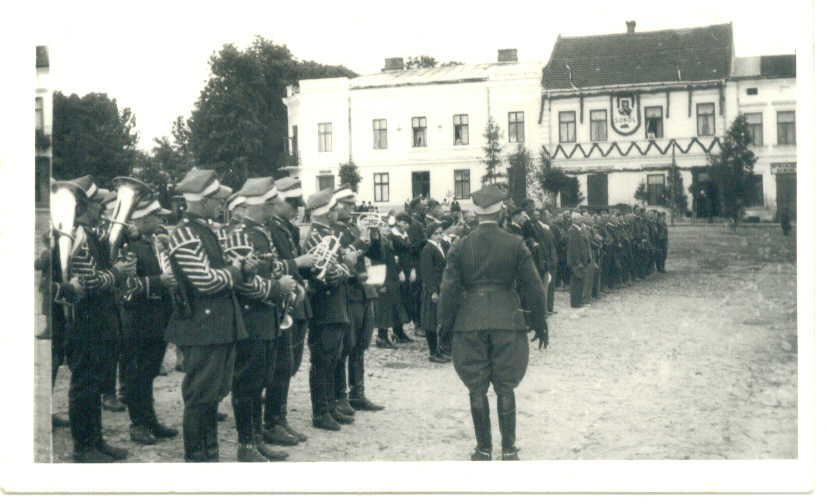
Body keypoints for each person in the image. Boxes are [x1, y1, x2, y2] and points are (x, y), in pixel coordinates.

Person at [438, 185, 548, 461]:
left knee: (477, 387)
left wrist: (444, 327)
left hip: (469, 321)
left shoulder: (460, 244)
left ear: (474, 213)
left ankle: (483, 449)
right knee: (506, 387)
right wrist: (540, 322)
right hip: (507, 319)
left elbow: (449, 289)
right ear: (501, 212)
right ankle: (509, 450)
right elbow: (534, 285)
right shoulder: (515, 243)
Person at [164, 168, 244, 462]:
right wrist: (236, 271)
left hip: (215, 325)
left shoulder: (202, 229)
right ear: (201, 200)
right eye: (216, 199)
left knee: (213, 394)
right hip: (202, 325)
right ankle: (198, 458)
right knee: (200, 396)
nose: (221, 204)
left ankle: (209, 454)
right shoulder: (185, 233)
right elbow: (205, 281)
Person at [226, 177, 301, 461]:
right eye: (272, 204)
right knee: (247, 384)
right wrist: (275, 287)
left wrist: (280, 282)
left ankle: (257, 439)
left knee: (260, 381)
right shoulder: (241, 234)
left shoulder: (261, 231)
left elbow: (268, 267)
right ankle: (246, 445)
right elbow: (242, 283)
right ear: (262, 205)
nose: (275, 209)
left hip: (267, 316)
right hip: (251, 318)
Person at [61, 176, 134, 462]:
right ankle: (84, 447)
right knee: (85, 386)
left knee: (92, 385)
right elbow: (87, 282)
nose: (104, 209)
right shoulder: (76, 234)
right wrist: (117, 272)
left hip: (98, 321)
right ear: (86, 205)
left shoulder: (88, 233)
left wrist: (118, 268)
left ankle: (95, 440)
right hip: (86, 323)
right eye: (99, 203)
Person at [118, 196, 180, 446]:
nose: (161, 221)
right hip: (138, 319)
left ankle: (149, 420)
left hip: (156, 318)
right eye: (157, 217)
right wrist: (158, 282)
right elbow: (126, 286)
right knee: (137, 374)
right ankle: (139, 424)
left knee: (149, 372)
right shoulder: (129, 245)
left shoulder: (151, 242)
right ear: (143, 218)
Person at [263, 177, 314, 445]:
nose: (298, 208)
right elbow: (271, 266)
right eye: (293, 203)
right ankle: (272, 422)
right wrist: (297, 262)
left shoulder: (286, 228)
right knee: (280, 367)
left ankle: (279, 419)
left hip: (293, 301)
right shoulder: (271, 228)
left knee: (288, 365)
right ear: (280, 200)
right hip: (280, 301)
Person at [302, 189, 358, 431]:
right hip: (325, 305)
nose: (338, 212)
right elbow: (331, 275)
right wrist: (349, 264)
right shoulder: (317, 237)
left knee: (333, 357)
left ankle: (329, 406)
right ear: (325, 212)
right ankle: (320, 412)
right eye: (334, 209)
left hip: (334, 304)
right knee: (323, 359)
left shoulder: (327, 234)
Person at [331, 186, 386, 412]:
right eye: (346, 205)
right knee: (347, 345)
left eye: (353, 204)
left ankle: (358, 393)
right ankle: (341, 396)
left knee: (361, 344)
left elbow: (377, 256)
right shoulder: (334, 231)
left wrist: (375, 237)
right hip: (350, 291)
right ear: (334, 206)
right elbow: (344, 259)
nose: (351, 209)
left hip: (364, 291)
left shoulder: (353, 228)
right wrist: (363, 239)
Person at [419, 222, 449, 363]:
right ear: (430, 235)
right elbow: (427, 272)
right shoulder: (428, 249)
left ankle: (439, 349)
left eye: (440, 233)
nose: (439, 236)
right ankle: (432, 352)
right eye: (436, 233)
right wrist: (433, 292)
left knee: (439, 320)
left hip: (442, 287)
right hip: (433, 289)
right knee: (431, 321)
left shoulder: (442, 246)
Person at [567, 212, 589, 308]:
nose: (582, 220)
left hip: (580, 260)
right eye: (580, 219)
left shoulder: (577, 229)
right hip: (576, 261)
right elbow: (574, 248)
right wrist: (578, 262)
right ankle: (575, 303)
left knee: (580, 281)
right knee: (576, 281)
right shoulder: (573, 230)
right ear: (574, 220)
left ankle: (578, 301)